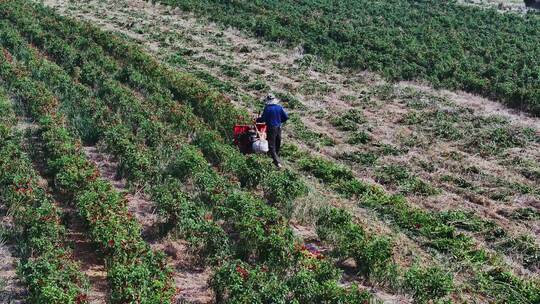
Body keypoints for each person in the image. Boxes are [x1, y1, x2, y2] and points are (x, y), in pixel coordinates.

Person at [257, 93, 288, 168]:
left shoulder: (267, 108)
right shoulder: (279, 107)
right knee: (278, 142)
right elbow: (286, 117)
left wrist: (258, 119)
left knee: (271, 144)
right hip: (278, 127)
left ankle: (277, 162)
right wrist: (279, 121)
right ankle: (275, 157)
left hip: (271, 127)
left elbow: (263, 119)